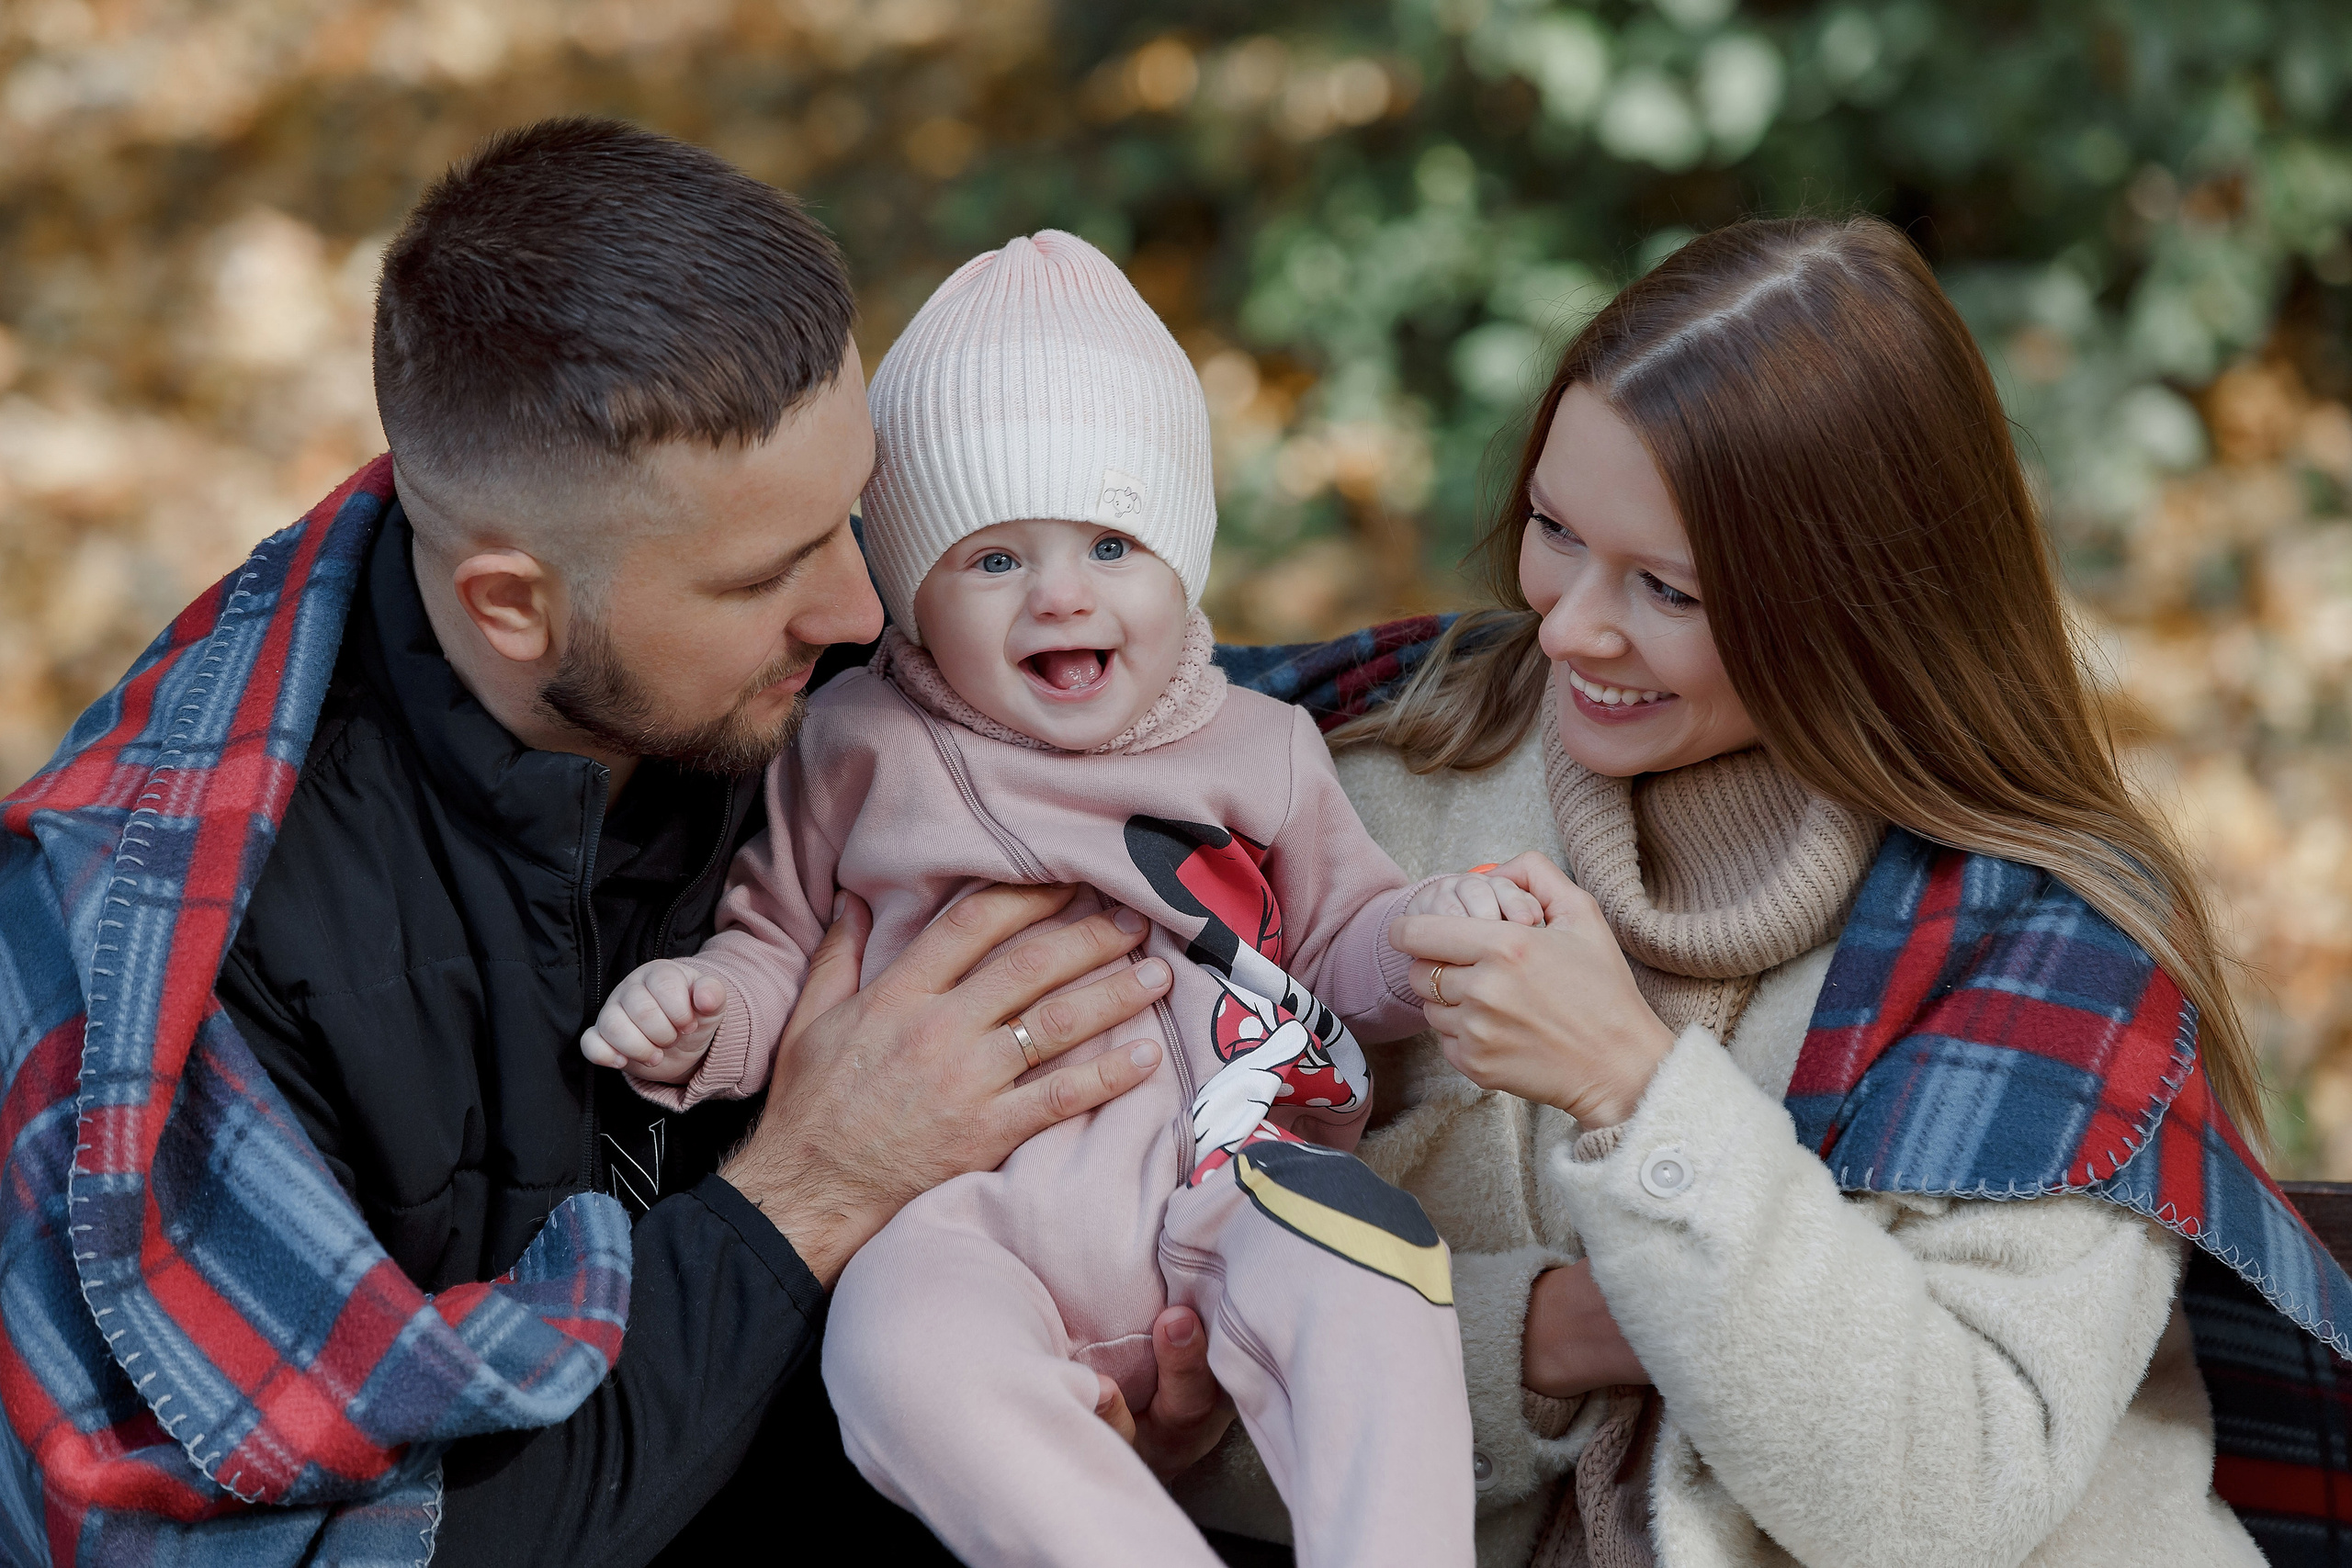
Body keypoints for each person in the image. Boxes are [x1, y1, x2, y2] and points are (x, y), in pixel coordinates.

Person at [0, 119, 1242, 1567]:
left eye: (858, 515)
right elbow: (364, 1548)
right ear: (514, 604)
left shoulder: (842, 691)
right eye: (769, 571)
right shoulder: (191, 948)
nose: (859, 610)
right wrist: (810, 1197)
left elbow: (1201, 717)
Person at [1179, 215, 2345, 1566]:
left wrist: (1630, 1086)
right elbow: (1175, 1374)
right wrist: (1548, 1332)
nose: (1565, 627)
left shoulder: (2042, 937)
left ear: (1859, 600)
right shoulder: (1362, 794)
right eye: (1555, 529)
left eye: (1666, 587)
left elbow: (1942, 1502)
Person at [582, 230, 1504, 1568]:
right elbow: (781, 938)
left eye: (1113, 542)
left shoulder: (1260, 748)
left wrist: (1429, 943)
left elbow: (1338, 943)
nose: (1062, 592)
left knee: (1368, 1274)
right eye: (995, 560)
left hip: (1228, 1178)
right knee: (898, 1354)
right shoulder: (859, 743)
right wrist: (707, 1013)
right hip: (965, 1213)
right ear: (908, 597)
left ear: (1182, 556)